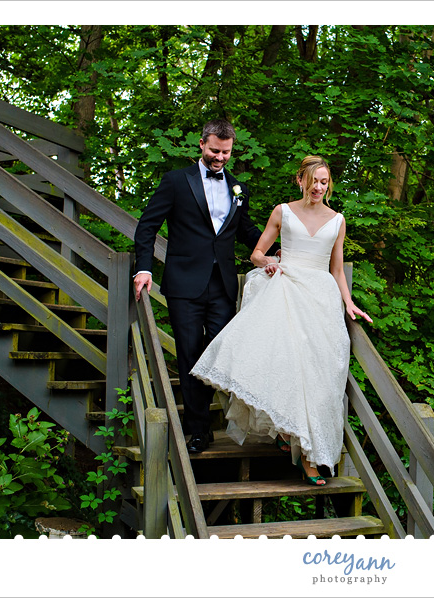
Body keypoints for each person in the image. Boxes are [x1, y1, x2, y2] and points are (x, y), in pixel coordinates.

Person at [190, 155, 372, 485]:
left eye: (324, 182)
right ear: (300, 180)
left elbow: (336, 269)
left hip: (321, 300)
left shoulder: (337, 220)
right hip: (286, 292)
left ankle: (308, 444)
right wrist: (269, 262)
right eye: (313, 180)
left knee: (321, 377)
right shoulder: (282, 212)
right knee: (288, 367)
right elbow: (256, 254)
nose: (318, 187)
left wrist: (349, 303)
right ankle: (305, 455)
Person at [132, 118, 278, 454]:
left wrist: (277, 251)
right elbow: (146, 227)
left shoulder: (238, 187)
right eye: (215, 150)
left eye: (226, 152)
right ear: (201, 145)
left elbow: (246, 231)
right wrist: (143, 267)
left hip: (223, 286)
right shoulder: (175, 182)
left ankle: (206, 420)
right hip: (184, 284)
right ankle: (198, 430)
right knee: (188, 354)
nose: (220, 157)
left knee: (217, 354)